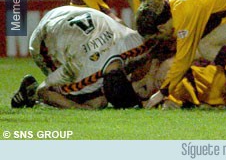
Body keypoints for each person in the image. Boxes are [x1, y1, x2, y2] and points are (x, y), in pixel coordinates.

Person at [135, 0, 226, 109]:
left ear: (161, 27)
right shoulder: (172, 2)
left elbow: (184, 60)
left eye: (157, 37)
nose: (161, 39)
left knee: (205, 46)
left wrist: (162, 92)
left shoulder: (183, 17)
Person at [11, 6, 157, 109]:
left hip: (66, 12)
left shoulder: (134, 43)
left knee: (96, 99)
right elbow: (44, 89)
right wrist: (76, 107)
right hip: (43, 39)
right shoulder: (82, 73)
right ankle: (29, 91)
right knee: (94, 103)